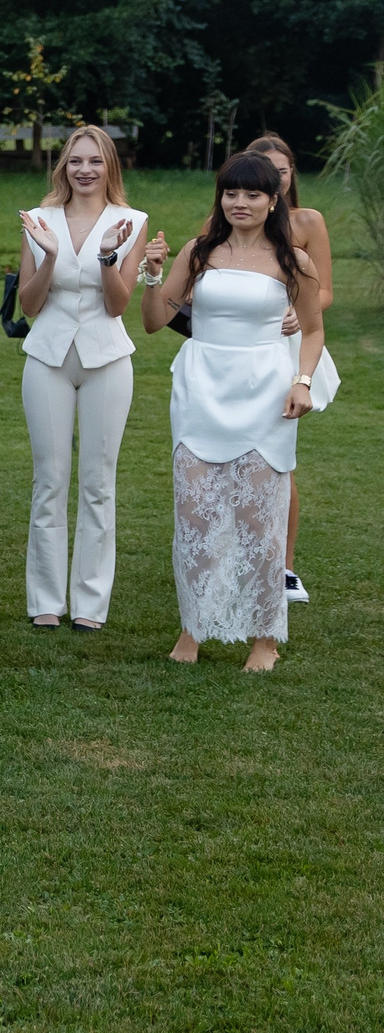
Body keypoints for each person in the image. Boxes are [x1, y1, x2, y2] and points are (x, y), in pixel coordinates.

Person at [139, 149, 325, 670]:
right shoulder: (200, 251)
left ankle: (265, 638)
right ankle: (192, 630)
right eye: (231, 192)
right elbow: (155, 322)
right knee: (194, 513)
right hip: (201, 386)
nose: (240, 202)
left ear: (273, 201)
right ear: (220, 198)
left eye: (253, 194)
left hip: (264, 390)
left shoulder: (294, 261)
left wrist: (302, 381)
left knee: (258, 519)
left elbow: (312, 330)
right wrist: (153, 275)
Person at [16, 126, 141, 630]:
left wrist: (109, 255)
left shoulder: (131, 221)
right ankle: (46, 600)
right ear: (62, 167)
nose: (84, 170)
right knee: (49, 480)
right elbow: (28, 304)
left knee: (98, 483)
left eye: (94, 161)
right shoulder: (38, 219)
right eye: (74, 162)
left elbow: (118, 305)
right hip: (47, 355)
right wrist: (47, 254)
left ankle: (90, 604)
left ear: (109, 166)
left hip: (107, 358)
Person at [243, 133, 340, 603]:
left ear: (289, 176)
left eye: (281, 171)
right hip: (238, 349)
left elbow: (323, 292)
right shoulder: (229, 219)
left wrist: (297, 313)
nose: (273, 177)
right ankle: (232, 557)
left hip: (288, 345)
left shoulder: (307, 221)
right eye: (264, 170)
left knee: (279, 459)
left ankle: (284, 568)